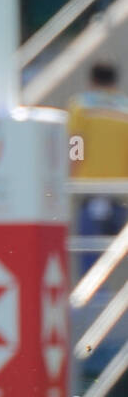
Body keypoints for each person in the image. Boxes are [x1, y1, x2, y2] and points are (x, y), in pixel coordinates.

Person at [68, 62, 128, 273]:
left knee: (90, 263)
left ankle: (93, 305)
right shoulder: (125, 108)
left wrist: (70, 179)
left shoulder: (81, 106)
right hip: (120, 196)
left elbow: (76, 145)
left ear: (92, 81)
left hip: (90, 192)